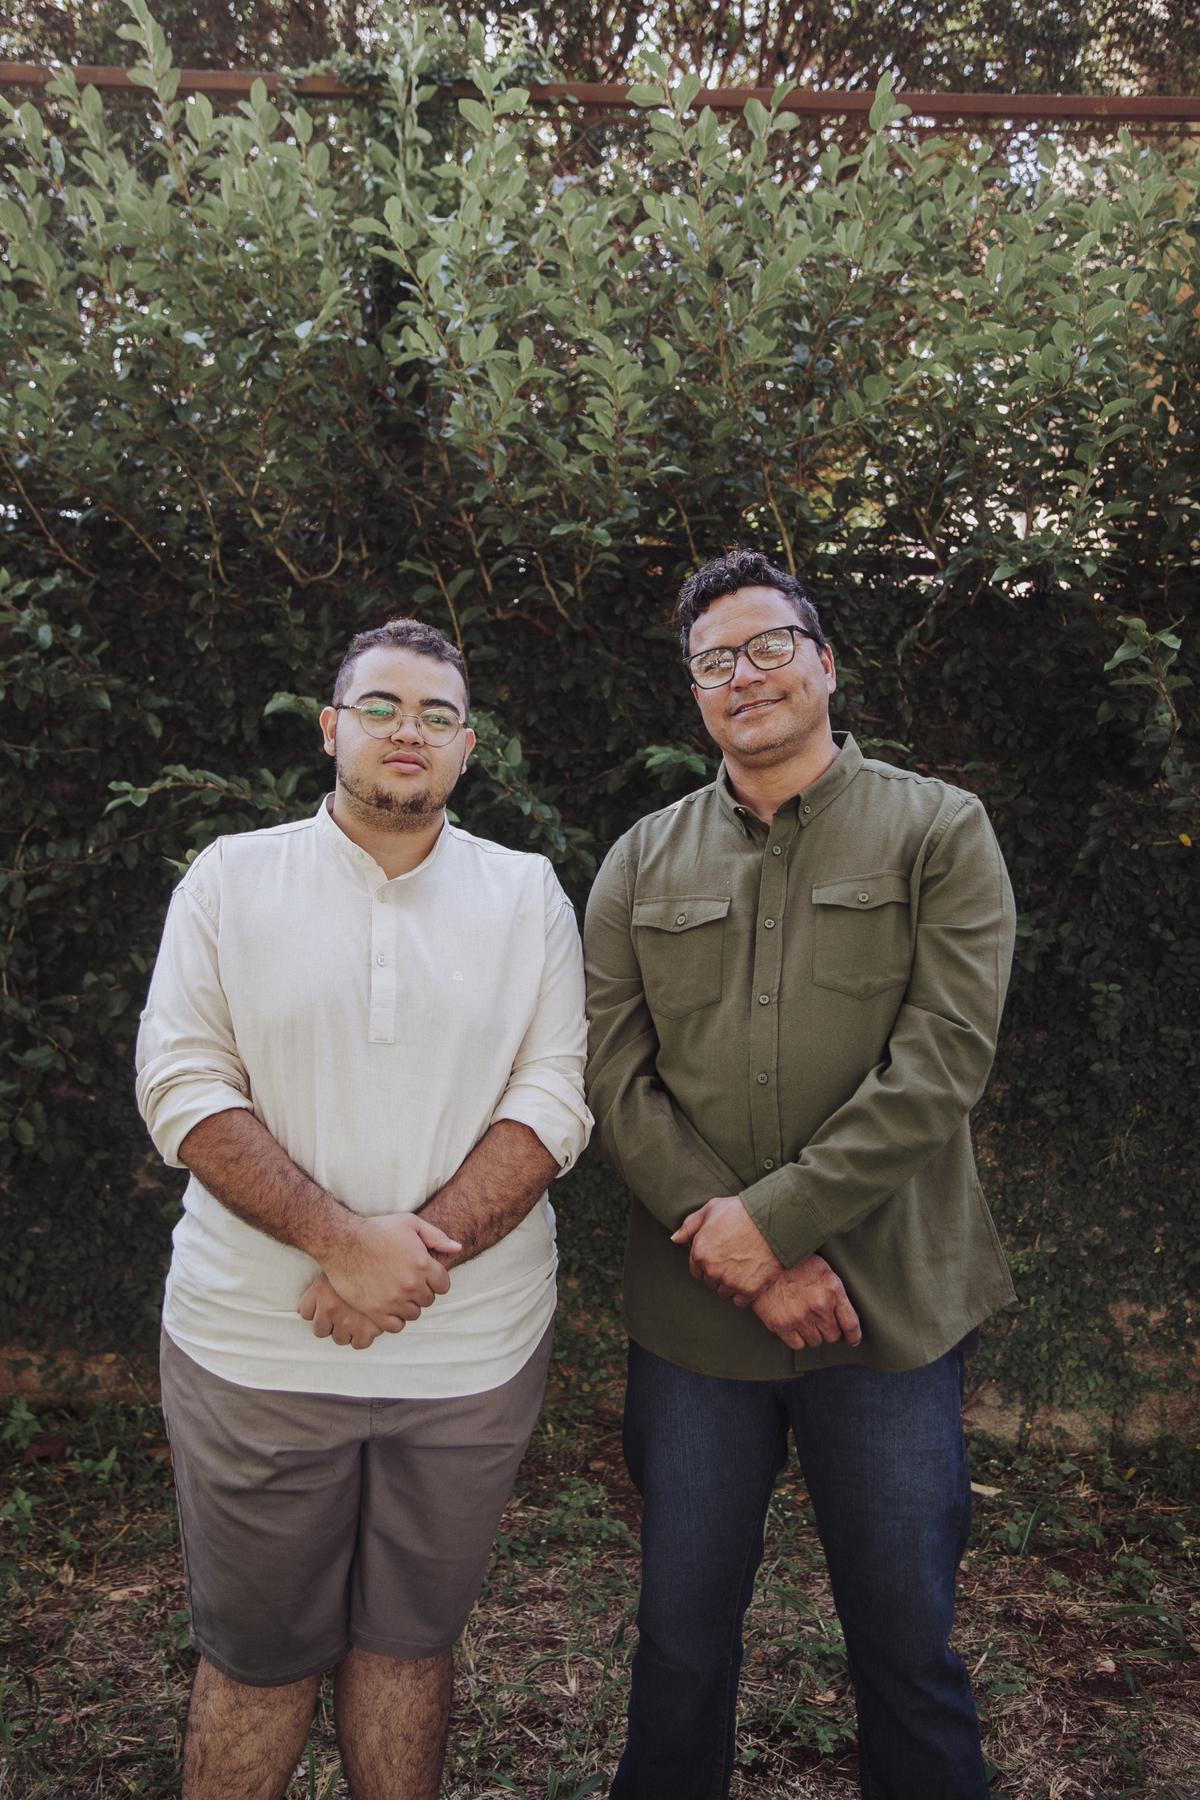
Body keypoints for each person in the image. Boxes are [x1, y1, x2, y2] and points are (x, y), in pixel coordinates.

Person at [584, 548, 1016, 1800]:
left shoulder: (939, 830)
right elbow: (613, 1078)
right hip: (696, 1323)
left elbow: (942, 1063)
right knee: (678, 1651)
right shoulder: (638, 861)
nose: (746, 674)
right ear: (694, 693)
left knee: (906, 1649)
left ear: (825, 664)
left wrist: (771, 1224)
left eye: (770, 645)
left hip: (887, 1317)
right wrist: (740, 1251)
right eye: (714, 660)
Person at [136, 617, 591, 1800]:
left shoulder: (525, 894)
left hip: (469, 1360)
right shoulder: (231, 878)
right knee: (258, 1662)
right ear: (331, 729)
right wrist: (341, 1245)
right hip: (255, 1350)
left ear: (468, 748)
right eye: (381, 706)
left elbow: (552, 1099)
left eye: (438, 715)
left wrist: (403, 1267)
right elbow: (181, 1083)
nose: (409, 731)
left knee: (409, 1648)